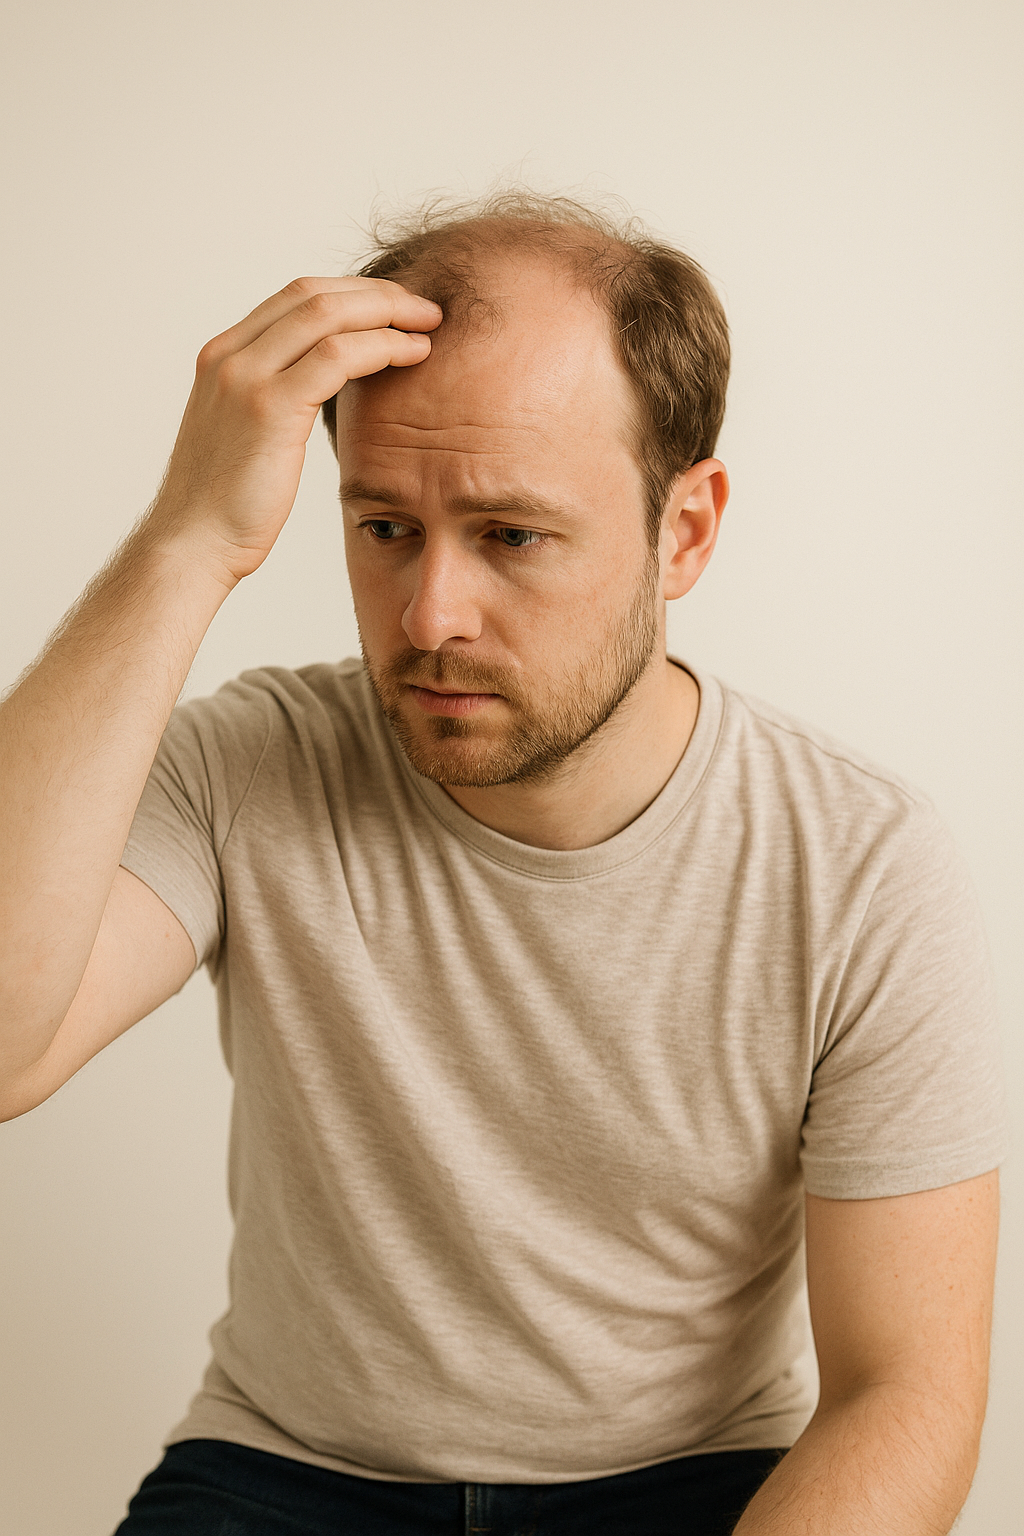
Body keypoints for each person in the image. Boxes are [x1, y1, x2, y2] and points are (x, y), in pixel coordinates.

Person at [0, 190, 1007, 1536]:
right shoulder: (252, 765)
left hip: (688, 1490)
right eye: (384, 528)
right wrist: (191, 538)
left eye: (512, 536)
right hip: (290, 1481)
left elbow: (907, 1395)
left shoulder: (862, 865)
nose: (430, 617)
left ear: (686, 529)